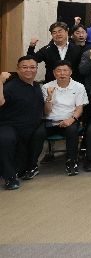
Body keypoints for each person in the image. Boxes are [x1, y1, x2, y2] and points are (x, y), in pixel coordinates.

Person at [32, 61, 88, 176]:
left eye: (65, 70)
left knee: (72, 131)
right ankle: (32, 165)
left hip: (69, 120)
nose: (62, 73)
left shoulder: (79, 87)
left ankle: (71, 162)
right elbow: (46, 112)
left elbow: (79, 109)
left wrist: (71, 120)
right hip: (50, 121)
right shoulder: (47, 87)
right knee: (38, 133)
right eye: (59, 70)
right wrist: (49, 97)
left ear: (70, 72)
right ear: (54, 73)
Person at [0, 58, 45, 190]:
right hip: (9, 126)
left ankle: (30, 166)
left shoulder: (36, 86)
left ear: (36, 69)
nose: (28, 70)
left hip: (29, 127)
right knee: (5, 139)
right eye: (24, 67)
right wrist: (0, 82)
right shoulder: (10, 86)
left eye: (32, 67)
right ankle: (10, 178)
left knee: (41, 132)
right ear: (18, 69)